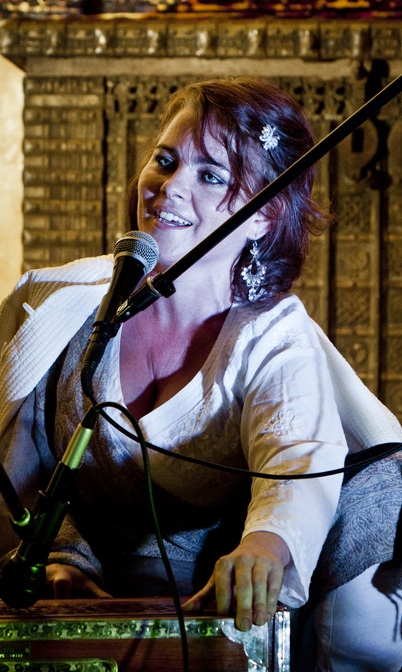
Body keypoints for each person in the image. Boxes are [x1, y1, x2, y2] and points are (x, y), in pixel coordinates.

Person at [0, 77, 401, 671]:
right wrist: (60, 558)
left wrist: (264, 546)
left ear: (264, 215)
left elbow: (296, 461)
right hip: (77, 597)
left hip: (213, 607)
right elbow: (20, 470)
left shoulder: (273, 336)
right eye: (165, 160)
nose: (168, 187)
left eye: (211, 176)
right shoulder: (51, 304)